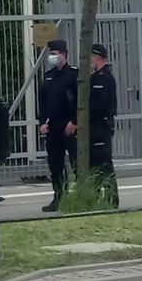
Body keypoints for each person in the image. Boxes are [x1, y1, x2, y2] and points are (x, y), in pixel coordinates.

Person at [38, 40, 78, 212]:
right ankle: (59, 197)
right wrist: (42, 122)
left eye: (55, 53)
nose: (52, 56)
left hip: (69, 126)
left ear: (64, 54)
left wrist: (75, 121)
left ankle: (82, 195)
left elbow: (80, 101)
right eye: (51, 53)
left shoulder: (74, 75)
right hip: (53, 127)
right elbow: (43, 102)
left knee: (77, 163)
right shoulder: (48, 76)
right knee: (55, 165)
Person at [89, 44, 120, 208]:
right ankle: (99, 198)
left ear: (98, 57)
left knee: (104, 164)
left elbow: (98, 105)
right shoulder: (97, 76)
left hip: (101, 127)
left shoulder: (104, 78)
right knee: (96, 165)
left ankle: (111, 199)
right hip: (96, 128)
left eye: (92, 56)